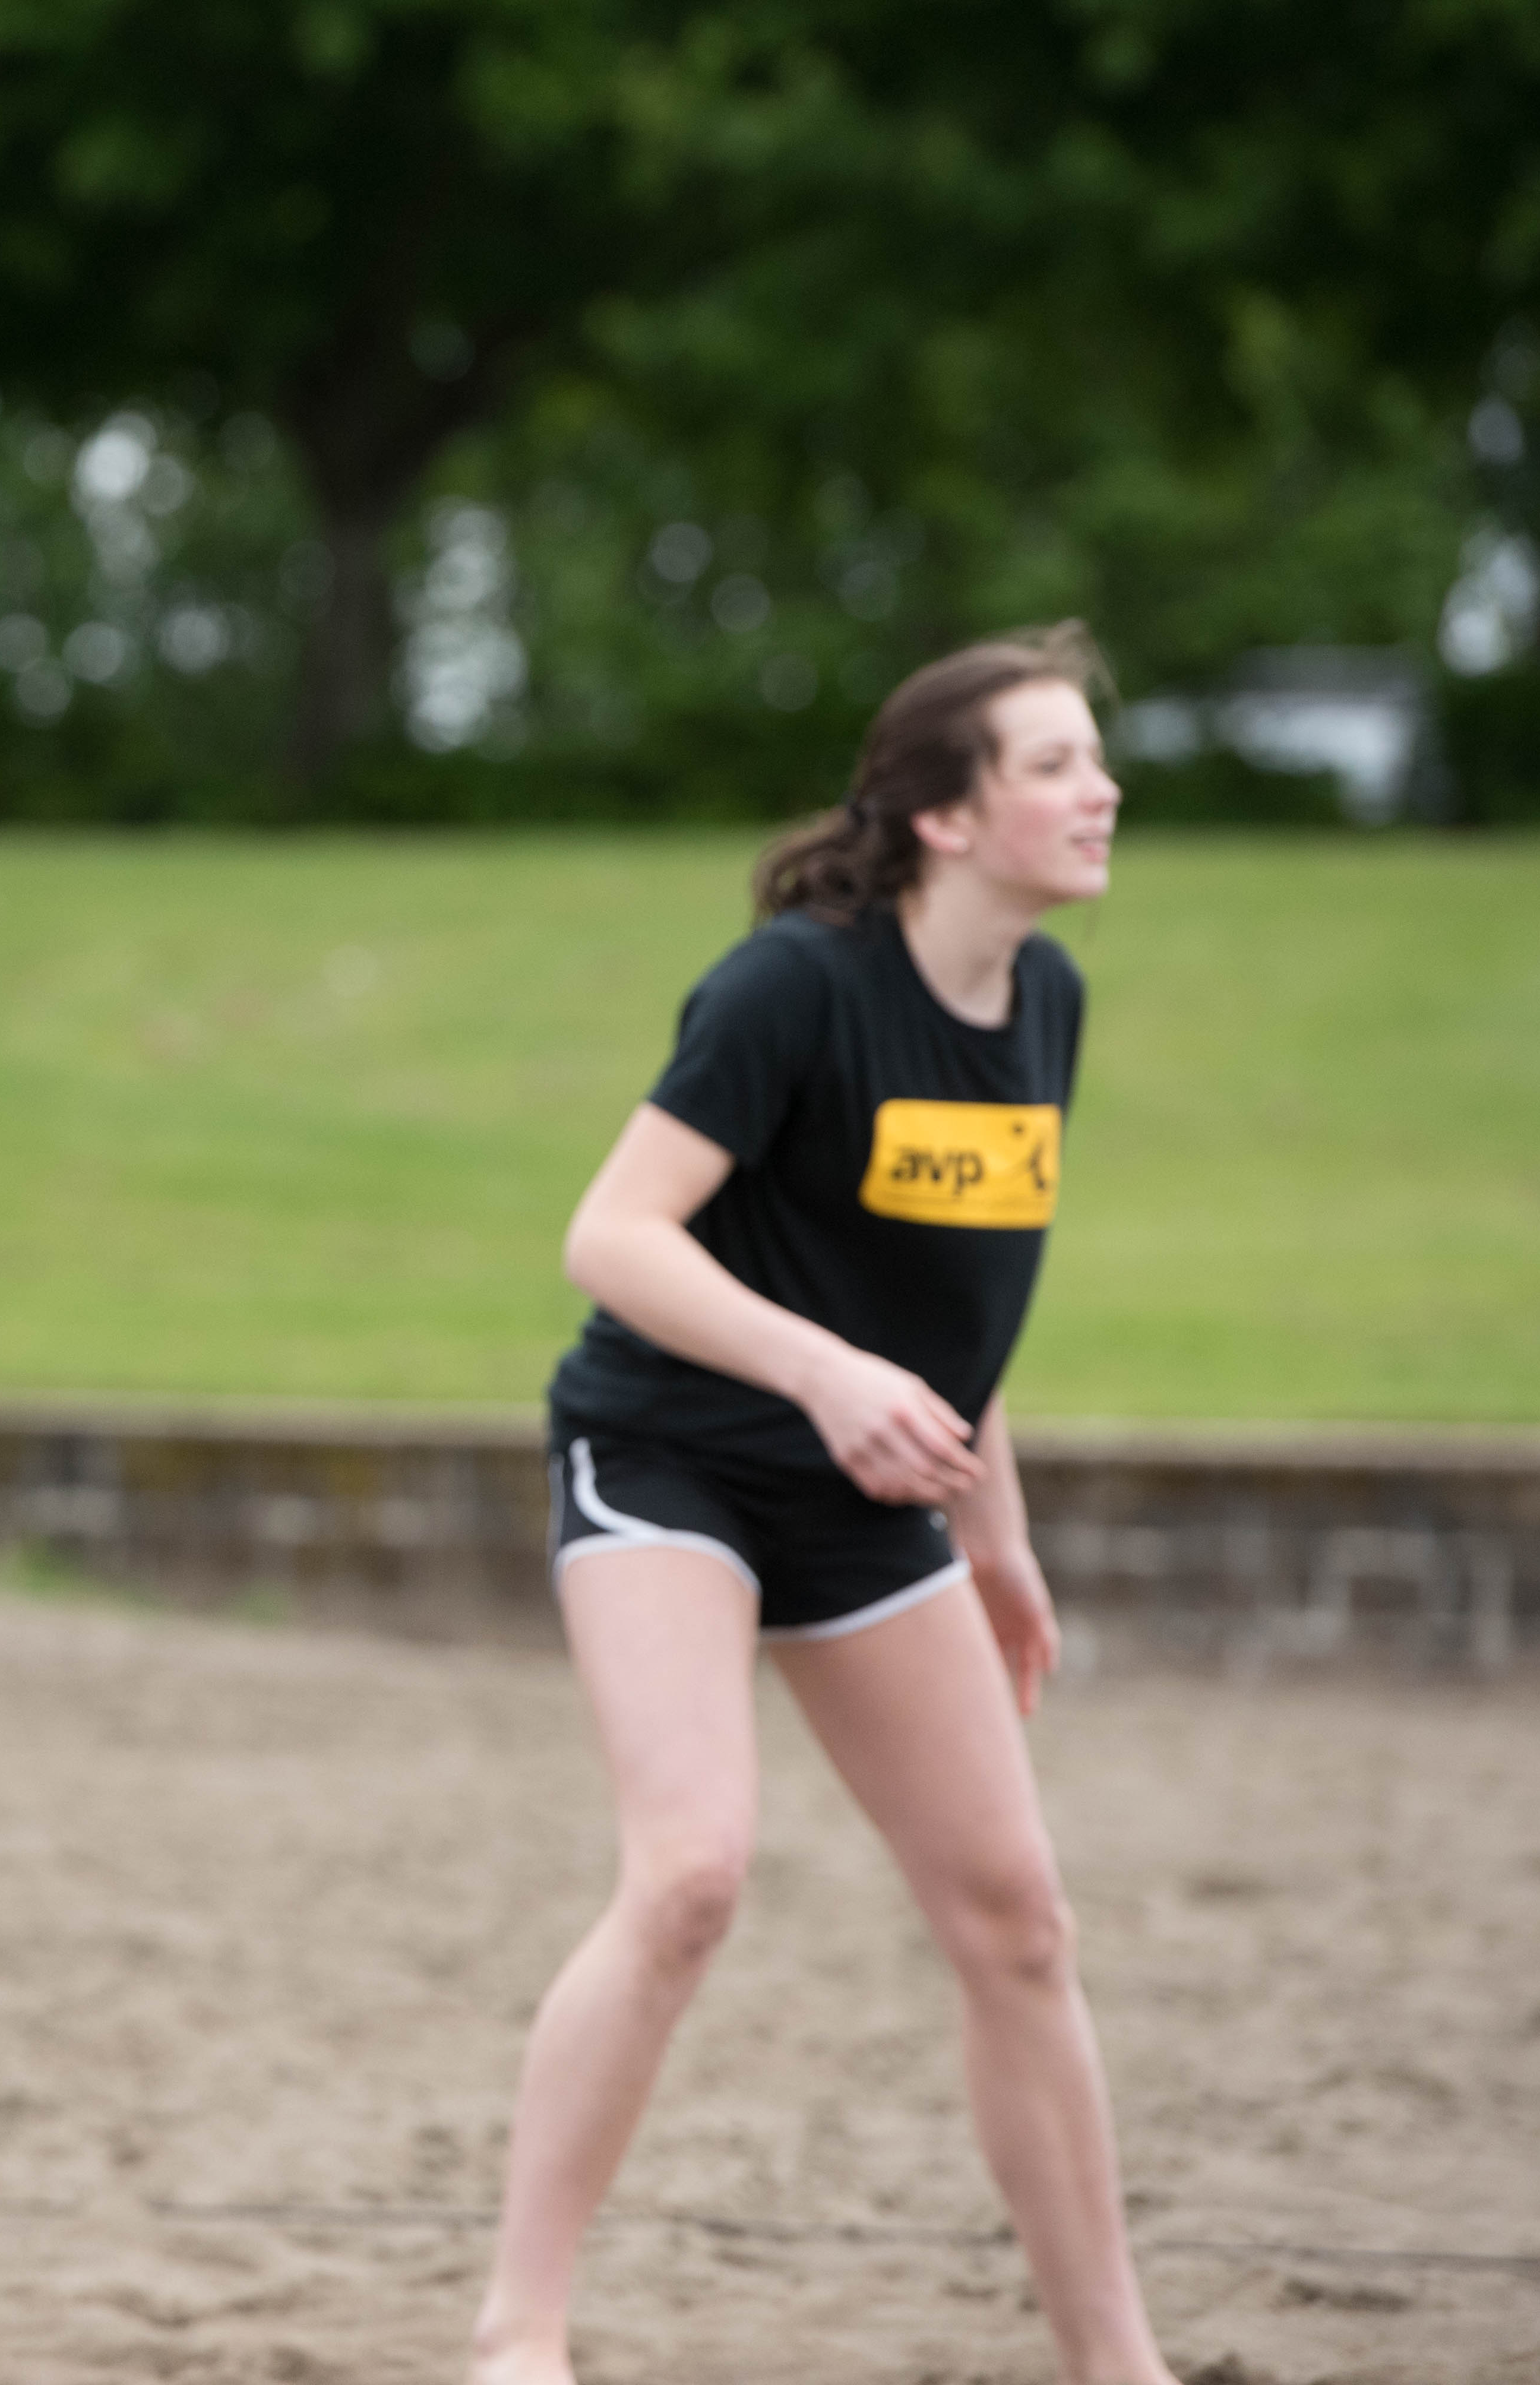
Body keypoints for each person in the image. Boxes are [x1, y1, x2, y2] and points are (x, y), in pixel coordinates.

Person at [469, 624, 1179, 2385]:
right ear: (947, 814)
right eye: (1056, 764)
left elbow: (954, 1307)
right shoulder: (793, 986)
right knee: (693, 1875)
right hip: (672, 1459)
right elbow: (611, 1236)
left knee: (1018, 1924)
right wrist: (825, 1376)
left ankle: (1119, 2364)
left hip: (869, 1497)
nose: (1101, 792)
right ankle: (519, 2336)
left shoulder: (1047, 1005)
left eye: (1096, 760)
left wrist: (995, 1540)